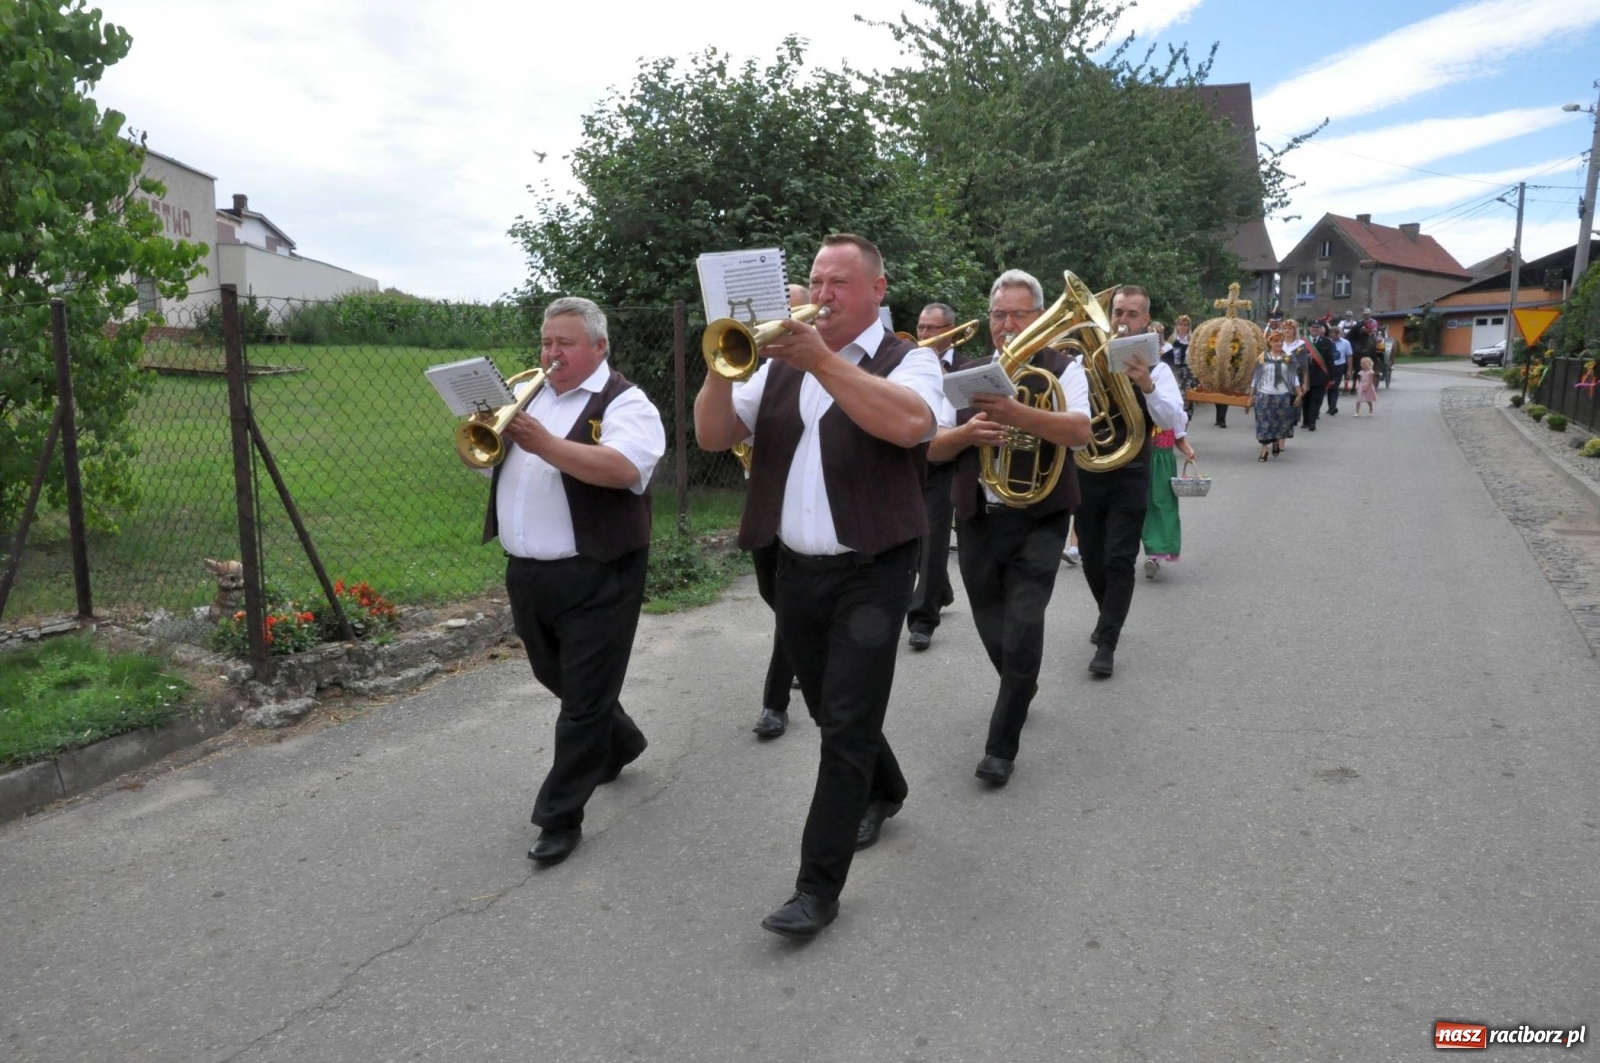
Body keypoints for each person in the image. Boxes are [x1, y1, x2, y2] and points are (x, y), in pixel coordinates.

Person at [694, 233, 943, 940]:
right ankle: (887, 788)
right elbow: (712, 436)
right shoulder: (776, 361)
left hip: (875, 567)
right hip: (792, 567)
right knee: (835, 710)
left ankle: (816, 888)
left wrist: (824, 362)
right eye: (815, 280)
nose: (823, 293)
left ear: (877, 289)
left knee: (846, 726)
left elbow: (909, 424)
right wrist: (721, 359)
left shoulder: (911, 360)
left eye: (838, 282)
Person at [481, 297, 666, 866]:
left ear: (600, 347)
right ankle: (624, 741)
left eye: (564, 343)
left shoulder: (626, 402)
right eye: (545, 342)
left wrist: (546, 444)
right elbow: (495, 462)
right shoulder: (526, 398)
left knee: (583, 702)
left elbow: (624, 469)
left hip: (599, 570)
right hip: (528, 572)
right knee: (553, 674)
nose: (551, 353)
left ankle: (560, 817)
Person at [929, 269, 1091, 786]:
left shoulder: (1064, 370)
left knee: (1022, 626)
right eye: (999, 314)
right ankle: (1019, 685)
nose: (1007, 324)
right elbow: (932, 444)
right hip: (979, 514)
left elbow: (1080, 432)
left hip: (1041, 517)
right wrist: (966, 432)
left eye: (1019, 313)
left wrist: (1015, 411)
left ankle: (1000, 748)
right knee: (990, 623)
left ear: (1040, 317)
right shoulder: (968, 373)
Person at [1073, 285, 1182, 678]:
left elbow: (1170, 420)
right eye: (1118, 311)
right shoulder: (1085, 362)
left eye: (1132, 314)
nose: (1122, 319)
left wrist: (1146, 385)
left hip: (1131, 472)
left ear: (1146, 322)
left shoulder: (1159, 368)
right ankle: (1109, 616)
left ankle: (1107, 642)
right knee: (1091, 558)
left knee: (1119, 558)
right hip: (1087, 470)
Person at [749, 284, 813, 739]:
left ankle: (775, 704)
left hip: (809, 511)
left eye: (792, 309)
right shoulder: (761, 371)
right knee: (776, 600)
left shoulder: (823, 365)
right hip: (767, 505)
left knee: (790, 610)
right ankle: (803, 652)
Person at [906, 301, 964, 651]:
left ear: (951, 332)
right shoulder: (907, 361)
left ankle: (923, 619)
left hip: (945, 466)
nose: (924, 334)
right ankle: (939, 588)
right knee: (910, 540)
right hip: (908, 461)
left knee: (934, 538)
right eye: (921, 327)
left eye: (933, 329)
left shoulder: (965, 368)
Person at [1141, 368, 1197, 580]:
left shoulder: (1170, 409)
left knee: (1162, 504)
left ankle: (1154, 554)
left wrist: (1188, 450)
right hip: (1140, 457)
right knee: (1137, 505)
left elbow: (1179, 436)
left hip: (1162, 460)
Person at [1248, 328, 1300, 461]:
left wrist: (1299, 394)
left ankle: (1276, 440)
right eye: (1276, 341)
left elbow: (1294, 377)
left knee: (1279, 421)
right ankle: (1264, 450)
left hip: (1282, 394)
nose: (1279, 344)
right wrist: (1251, 395)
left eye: (1281, 341)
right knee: (1263, 422)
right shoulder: (1262, 357)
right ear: (1270, 342)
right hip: (1264, 394)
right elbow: (1256, 377)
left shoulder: (1288, 358)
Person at [1301, 321, 1335, 432]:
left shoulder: (1327, 342)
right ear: (1309, 329)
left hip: (1320, 376)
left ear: (1320, 329)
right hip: (1305, 376)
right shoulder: (1302, 342)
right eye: (1313, 327)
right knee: (1306, 400)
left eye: (1317, 328)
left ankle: (1312, 422)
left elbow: (1330, 360)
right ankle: (1306, 420)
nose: (1315, 329)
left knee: (1316, 400)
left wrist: (1331, 377)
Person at [1325, 322, 1349, 415]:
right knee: (1329, 388)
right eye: (1334, 334)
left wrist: (1349, 369)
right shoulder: (1327, 342)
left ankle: (1332, 407)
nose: (1336, 336)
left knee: (1335, 387)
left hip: (1339, 367)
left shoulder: (1346, 343)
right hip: (1329, 367)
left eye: (1338, 334)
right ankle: (1330, 406)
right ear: (1330, 334)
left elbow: (1349, 356)